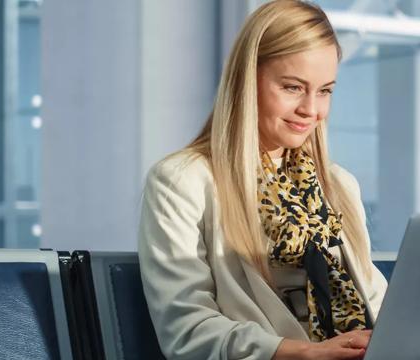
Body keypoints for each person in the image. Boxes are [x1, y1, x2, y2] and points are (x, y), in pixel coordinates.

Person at [137, 1, 386, 359]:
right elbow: (185, 330)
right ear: (246, 80)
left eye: (325, 90)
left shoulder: (338, 185)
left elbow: (375, 302)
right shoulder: (182, 181)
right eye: (292, 87)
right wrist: (302, 353)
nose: (311, 110)